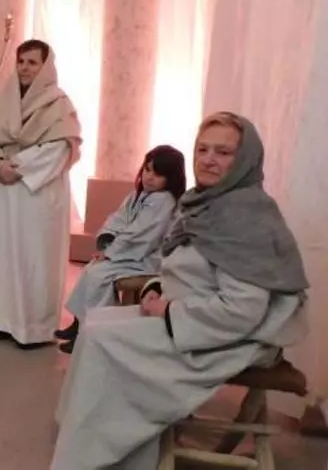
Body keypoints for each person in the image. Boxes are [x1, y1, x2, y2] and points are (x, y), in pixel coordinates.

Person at [50, 112, 309, 469]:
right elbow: (187, 266)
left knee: (100, 341)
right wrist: (157, 289)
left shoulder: (247, 218)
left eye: (223, 152)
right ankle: (83, 438)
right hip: (194, 316)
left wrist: (170, 312)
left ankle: (105, 456)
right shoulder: (209, 203)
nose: (208, 160)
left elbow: (243, 311)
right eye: (202, 149)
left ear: (245, 160)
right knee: (94, 322)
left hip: (232, 337)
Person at [0, 39, 82, 348]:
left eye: (32, 62)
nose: (25, 68)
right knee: (1, 258)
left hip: (37, 195)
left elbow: (60, 148)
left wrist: (15, 167)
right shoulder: (3, 100)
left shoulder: (59, 104)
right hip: (3, 194)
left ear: (45, 67)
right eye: (21, 62)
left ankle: (33, 328)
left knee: (34, 260)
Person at [55, 144, 186, 354]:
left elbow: (142, 235)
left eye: (158, 174)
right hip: (127, 252)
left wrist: (111, 254)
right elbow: (117, 219)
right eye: (147, 169)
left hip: (148, 257)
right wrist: (107, 242)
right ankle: (79, 322)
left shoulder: (164, 201)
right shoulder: (137, 195)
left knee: (98, 276)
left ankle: (90, 332)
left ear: (171, 178)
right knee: (90, 270)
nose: (149, 177)